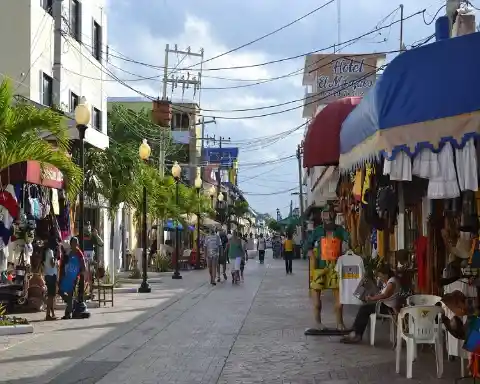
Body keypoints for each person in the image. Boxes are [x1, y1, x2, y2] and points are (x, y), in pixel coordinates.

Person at [341, 264, 400, 344]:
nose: (380, 278)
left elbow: (385, 295)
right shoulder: (388, 281)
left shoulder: (392, 282)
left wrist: (372, 298)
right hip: (384, 305)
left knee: (364, 310)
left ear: (386, 274)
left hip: (387, 307)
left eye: (381, 276)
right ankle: (355, 331)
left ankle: (357, 334)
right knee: (364, 308)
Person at [58, 237, 86, 320]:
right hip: (67, 276)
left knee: (70, 294)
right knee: (60, 291)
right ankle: (72, 304)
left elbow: (83, 265)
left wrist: (80, 274)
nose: (75, 245)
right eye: (73, 243)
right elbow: (64, 263)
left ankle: (67, 313)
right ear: (71, 244)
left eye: (76, 243)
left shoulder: (79, 253)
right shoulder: (69, 252)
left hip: (74, 277)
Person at [44, 238, 59, 321]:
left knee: (51, 296)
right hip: (51, 275)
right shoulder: (50, 252)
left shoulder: (46, 252)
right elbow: (52, 264)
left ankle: (52, 313)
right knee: (50, 296)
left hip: (47, 274)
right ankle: (48, 314)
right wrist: (56, 258)